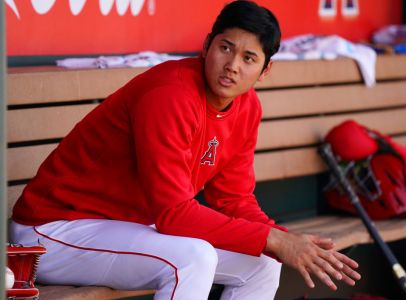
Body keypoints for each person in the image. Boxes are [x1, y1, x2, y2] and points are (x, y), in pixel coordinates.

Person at [9, 1, 361, 299]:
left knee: (264, 262)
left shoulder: (247, 108)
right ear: (207, 45)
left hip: (124, 227)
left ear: (265, 70)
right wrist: (274, 238)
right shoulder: (170, 93)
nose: (233, 65)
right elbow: (173, 215)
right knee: (192, 257)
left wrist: (283, 241)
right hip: (53, 231)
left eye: (249, 58)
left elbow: (234, 199)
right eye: (226, 48)